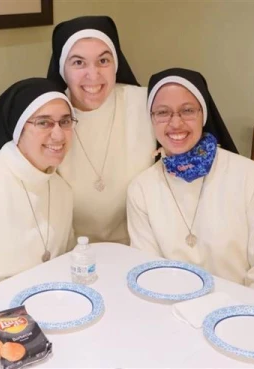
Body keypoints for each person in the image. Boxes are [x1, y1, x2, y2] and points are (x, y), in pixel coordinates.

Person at [127, 67, 254, 288]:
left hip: (243, 312)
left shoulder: (251, 176)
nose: (175, 123)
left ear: (203, 115)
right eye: (162, 112)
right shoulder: (141, 189)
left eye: (187, 110)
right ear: (151, 118)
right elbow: (148, 272)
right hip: (172, 313)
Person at [38, 15, 156, 245]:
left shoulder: (147, 105)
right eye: (78, 63)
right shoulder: (45, 117)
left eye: (103, 61)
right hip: (70, 254)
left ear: (116, 64)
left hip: (141, 247)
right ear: (62, 69)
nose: (93, 75)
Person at [0, 78, 75, 297]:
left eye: (66, 121)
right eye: (44, 122)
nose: (59, 135)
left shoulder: (63, 191)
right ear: (18, 127)